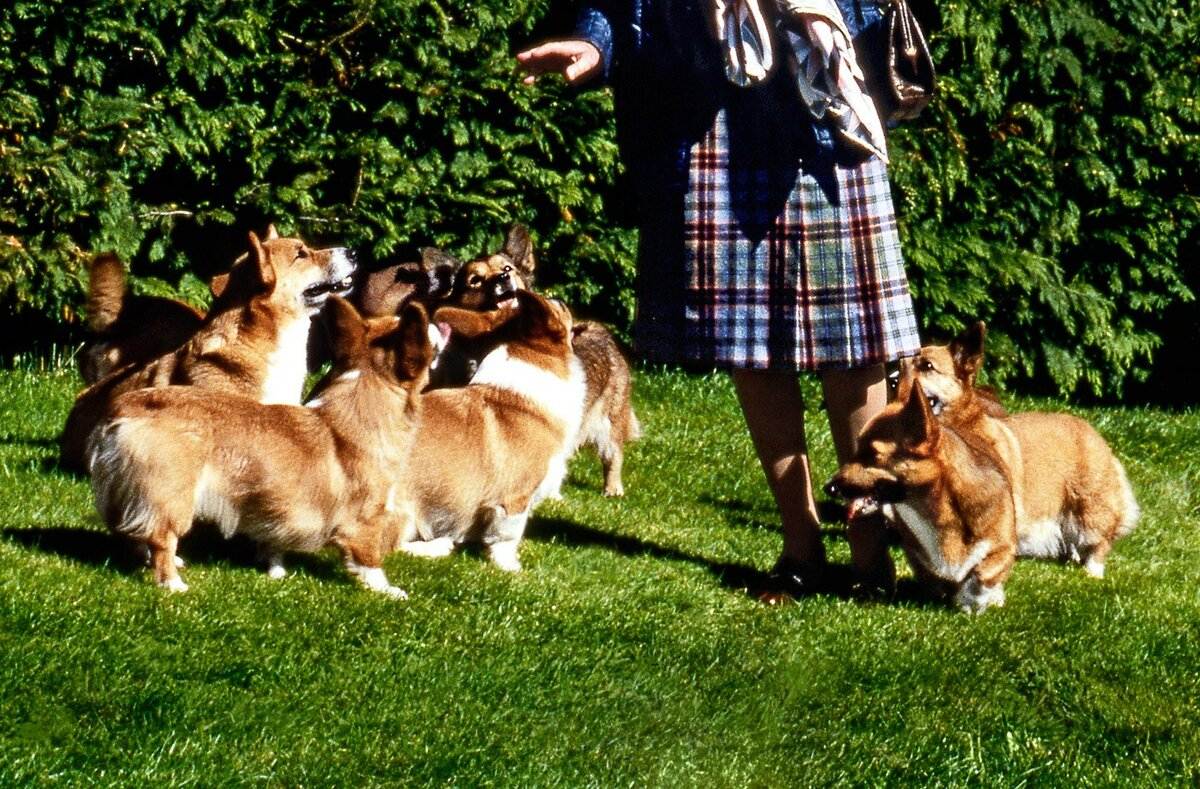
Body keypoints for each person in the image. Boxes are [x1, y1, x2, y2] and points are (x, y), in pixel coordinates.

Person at [516, 0, 921, 600]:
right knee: (747, 340)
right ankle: (800, 546)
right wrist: (597, 43)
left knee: (856, 340)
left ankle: (869, 557)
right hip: (709, 113)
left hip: (825, 101)